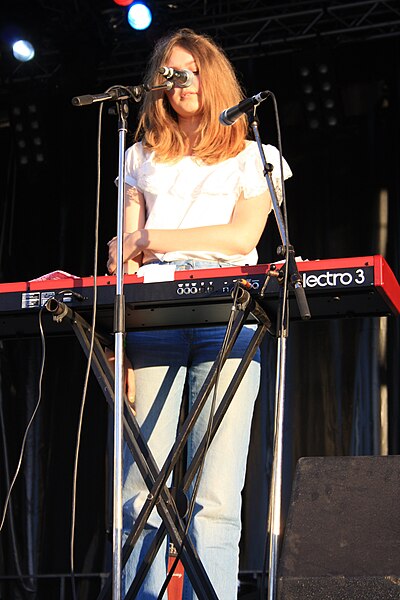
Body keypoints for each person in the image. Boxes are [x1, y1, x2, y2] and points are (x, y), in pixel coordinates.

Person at [107, 27, 292, 600]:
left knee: (216, 492)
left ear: (212, 76)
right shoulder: (138, 156)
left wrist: (152, 237)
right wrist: (117, 344)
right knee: (143, 488)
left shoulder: (254, 156)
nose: (180, 81)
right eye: (169, 72)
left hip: (227, 321)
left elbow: (241, 237)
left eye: (190, 70)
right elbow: (122, 255)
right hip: (151, 321)